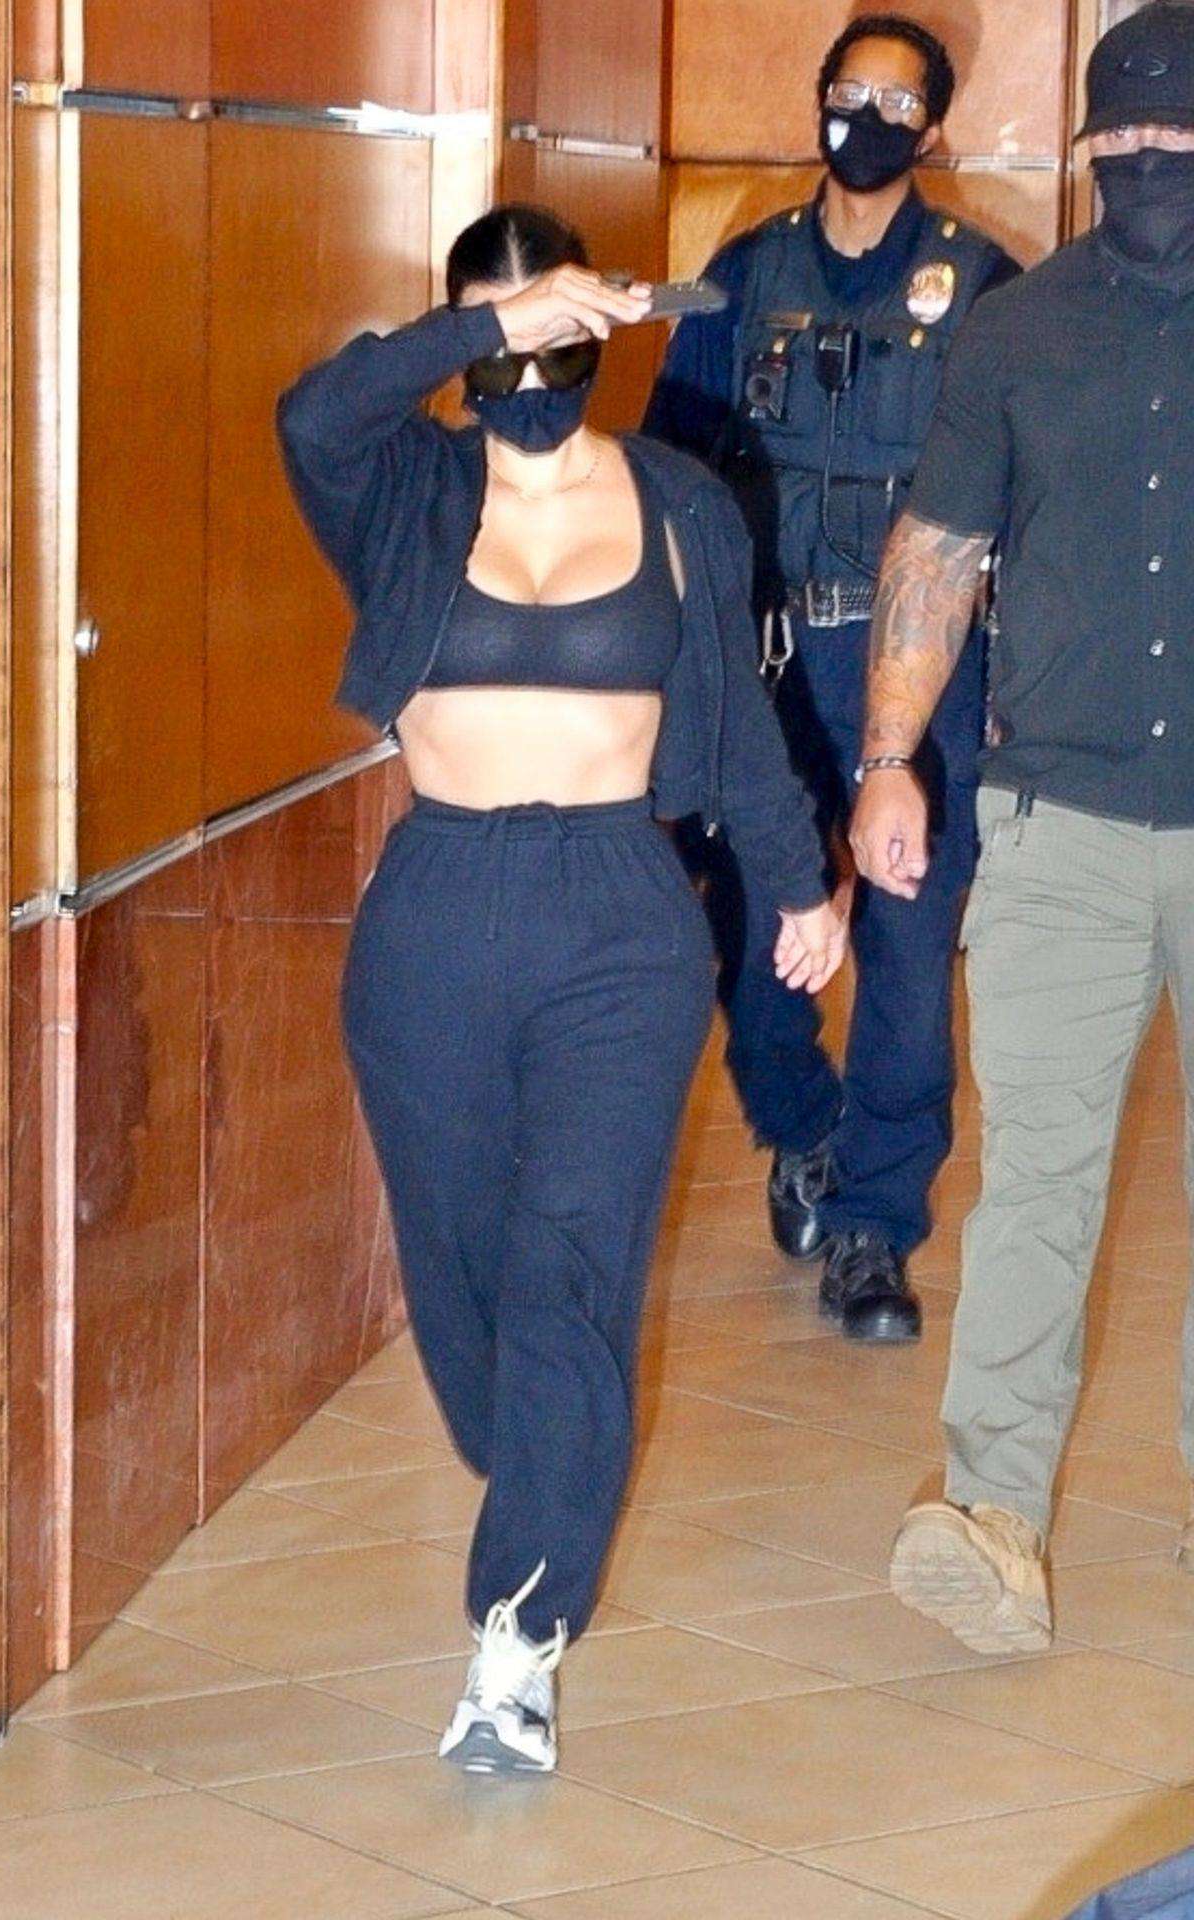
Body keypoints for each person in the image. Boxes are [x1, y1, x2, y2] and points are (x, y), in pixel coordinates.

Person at [276, 204, 844, 1774]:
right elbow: (310, 414)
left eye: (557, 333)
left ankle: (516, 1642)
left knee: (568, 1275)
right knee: (467, 1292)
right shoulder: (400, 485)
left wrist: (800, 885)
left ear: (601, 332)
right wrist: (489, 325)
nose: (532, 368)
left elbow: (739, 723)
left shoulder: (678, 501)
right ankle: (538, 1459)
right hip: (435, 913)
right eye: (502, 338)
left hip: (618, 923)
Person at [850, 0, 1194, 1653]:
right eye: (1125, 144)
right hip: (1058, 823)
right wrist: (887, 759)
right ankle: (993, 1519)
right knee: (1038, 1182)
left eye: (1177, 144)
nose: (1149, 168)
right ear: (1087, 152)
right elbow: (937, 554)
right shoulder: (1015, 330)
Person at [645, 13, 1019, 1344]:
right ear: (818, 102)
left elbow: (1024, 491)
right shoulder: (744, 274)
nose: (867, 118)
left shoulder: (985, 286)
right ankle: (804, 1127)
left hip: (923, 660)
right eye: (849, 92)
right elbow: (669, 469)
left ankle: (873, 1228)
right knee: (757, 941)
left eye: (897, 102)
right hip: (766, 659)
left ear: (935, 128)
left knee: (908, 953)